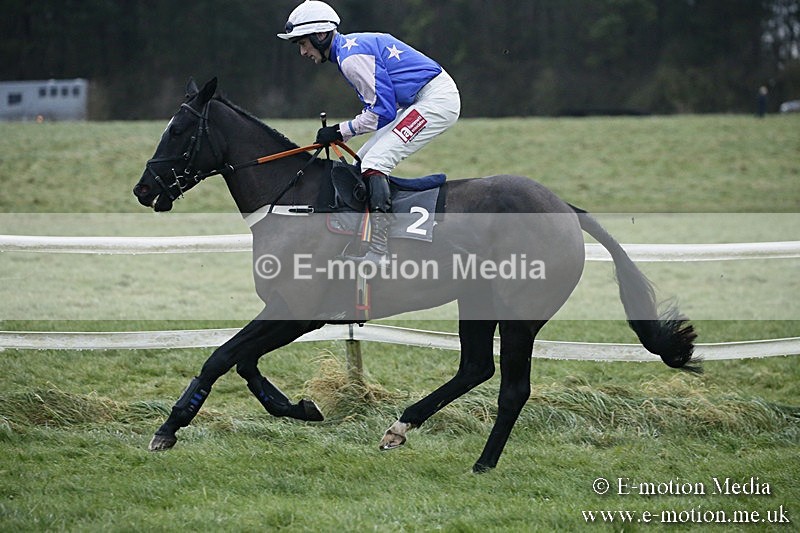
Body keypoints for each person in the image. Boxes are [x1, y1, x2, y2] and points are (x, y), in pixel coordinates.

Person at [278, 0, 461, 264]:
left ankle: (380, 251)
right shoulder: (347, 52)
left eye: (303, 43)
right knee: (360, 162)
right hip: (417, 100)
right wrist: (343, 133)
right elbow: (380, 108)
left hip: (437, 100)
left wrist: (340, 131)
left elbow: (382, 112)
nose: (302, 51)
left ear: (320, 36)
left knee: (376, 163)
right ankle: (360, 239)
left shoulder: (351, 59)